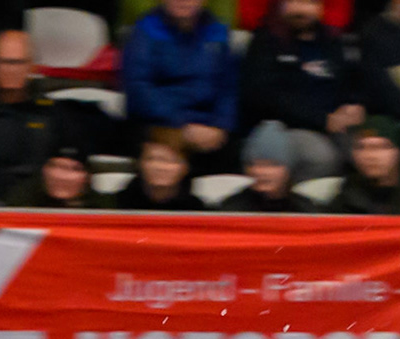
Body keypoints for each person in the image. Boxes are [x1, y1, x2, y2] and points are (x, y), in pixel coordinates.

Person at [0, 30, 109, 203]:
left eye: (18, 63)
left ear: (31, 66)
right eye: (3, 62)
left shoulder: (53, 114)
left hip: (35, 207)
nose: (10, 69)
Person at [239, 0, 366, 183]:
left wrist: (353, 105)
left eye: (309, 3)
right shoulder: (266, 40)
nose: (300, 9)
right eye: (294, 2)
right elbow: (262, 97)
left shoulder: (331, 40)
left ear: (321, 8)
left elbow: (350, 79)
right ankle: (300, 204)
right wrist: (322, 120)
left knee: (365, 152)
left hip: (333, 124)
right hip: (283, 127)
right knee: (324, 158)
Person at [121, 0, 238, 164]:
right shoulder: (145, 31)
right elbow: (138, 88)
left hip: (207, 125)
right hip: (160, 123)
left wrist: (221, 125)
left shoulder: (217, 31)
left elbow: (228, 87)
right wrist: (183, 124)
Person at [328, 116, 400, 213]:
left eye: (382, 147)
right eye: (361, 147)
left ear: (399, 152)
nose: (370, 156)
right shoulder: (350, 189)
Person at [220, 120, 320, 211]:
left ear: (289, 169)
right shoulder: (231, 211)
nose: (259, 172)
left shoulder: (306, 211)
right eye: (253, 164)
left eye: (272, 165)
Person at [118, 127, 206, 209]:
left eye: (171, 161)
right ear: (140, 163)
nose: (161, 167)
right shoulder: (114, 206)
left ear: (185, 167)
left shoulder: (197, 211)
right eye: (152, 159)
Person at [6, 144, 114, 208]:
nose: (61, 176)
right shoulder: (22, 202)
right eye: (55, 166)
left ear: (87, 177)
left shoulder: (102, 208)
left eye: (73, 169)